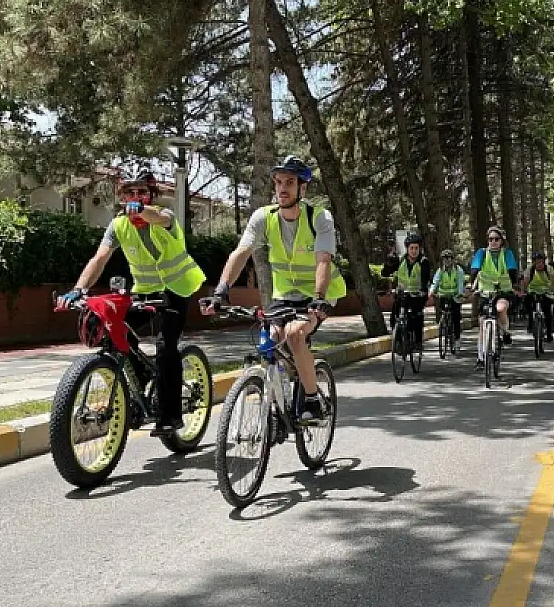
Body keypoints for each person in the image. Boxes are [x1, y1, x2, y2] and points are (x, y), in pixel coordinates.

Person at [55, 170, 205, 436]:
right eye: (129, 193)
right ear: (122, 197)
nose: (135, 198)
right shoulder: (118, 225)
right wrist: (79, 289)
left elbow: (157, 217)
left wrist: (142, 211)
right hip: (145, 290)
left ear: (151, 196)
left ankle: (170, 416)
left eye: (141, 193)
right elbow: (99, 259)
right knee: (114, 330)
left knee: (165, 344)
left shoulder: (164, 217)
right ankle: (142, 374)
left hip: (177, 288)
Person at [203, 155, 346, 422]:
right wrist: (222, 290)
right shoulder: (263, 217)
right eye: (279, 182)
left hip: (318, 294)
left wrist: (318, 299)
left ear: (302, 188)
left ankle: (313, 400)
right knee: (271, 336)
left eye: (290, 182)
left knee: (294, 333)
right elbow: (241, 252)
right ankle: (280, 398)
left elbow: (323, 260)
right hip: (283, 295)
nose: (282, 188)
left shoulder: (319, 218)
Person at [467, 225, 520, 369]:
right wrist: (471, 285)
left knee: (501, 308)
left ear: (501, 241)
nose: (493, 242)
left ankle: (505, 332)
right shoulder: (482, 253)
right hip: (485, 291)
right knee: (482, 322)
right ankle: (480, 358)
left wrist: (515, 286)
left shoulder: (507, 253)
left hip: (503, 291)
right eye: (490, 239)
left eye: (496, 239)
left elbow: (512, 270)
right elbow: (475, 269)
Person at [382, 233, 432, 345]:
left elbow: (425, 278)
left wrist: (423, 291)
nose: (414, 251)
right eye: (411, 248)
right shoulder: (400, 260)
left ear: (420, 249)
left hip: (417, 295)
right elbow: (384, 273)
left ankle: (418, 342)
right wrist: (389, 263)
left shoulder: (423, 262)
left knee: (416, 317)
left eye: (416, 248)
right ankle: (399, 341)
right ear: (407, 248)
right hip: (403, 294)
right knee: (394, 316)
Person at [431, 249, 465, 340]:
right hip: (443, 296)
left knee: (456, 317)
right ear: (442, 260)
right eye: (445, 258)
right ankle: (445, 328)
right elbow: (435, 282)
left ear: (453, 259)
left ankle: (457, 339)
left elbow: (460, 283)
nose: (447, 260)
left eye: (449, 258)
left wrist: (460, 294)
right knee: (443, 313)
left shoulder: (458, 270)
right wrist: (432, 292)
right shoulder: (440, 271)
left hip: (455, 296)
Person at [522, 252, 554, 342]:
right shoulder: (530, 269)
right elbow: (525, 282)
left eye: (541, 262)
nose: (539, 264)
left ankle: (549, 333)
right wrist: (524, 291)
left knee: (548, 313)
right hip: (532, 291)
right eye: (537, 262)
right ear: (534, 262)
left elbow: (553, 282)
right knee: (529, 306)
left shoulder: (549, 269)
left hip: (546, 292)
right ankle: (531, 325)